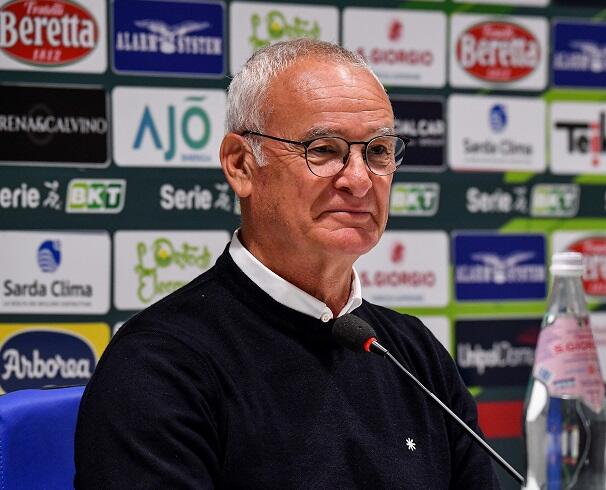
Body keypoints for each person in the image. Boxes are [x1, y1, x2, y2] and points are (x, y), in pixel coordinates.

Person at [75, 39, 500, 489]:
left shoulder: (414, 355)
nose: (358, 180)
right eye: (323, 149)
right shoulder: (159, 365)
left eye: (377, 152)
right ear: (240, 165)